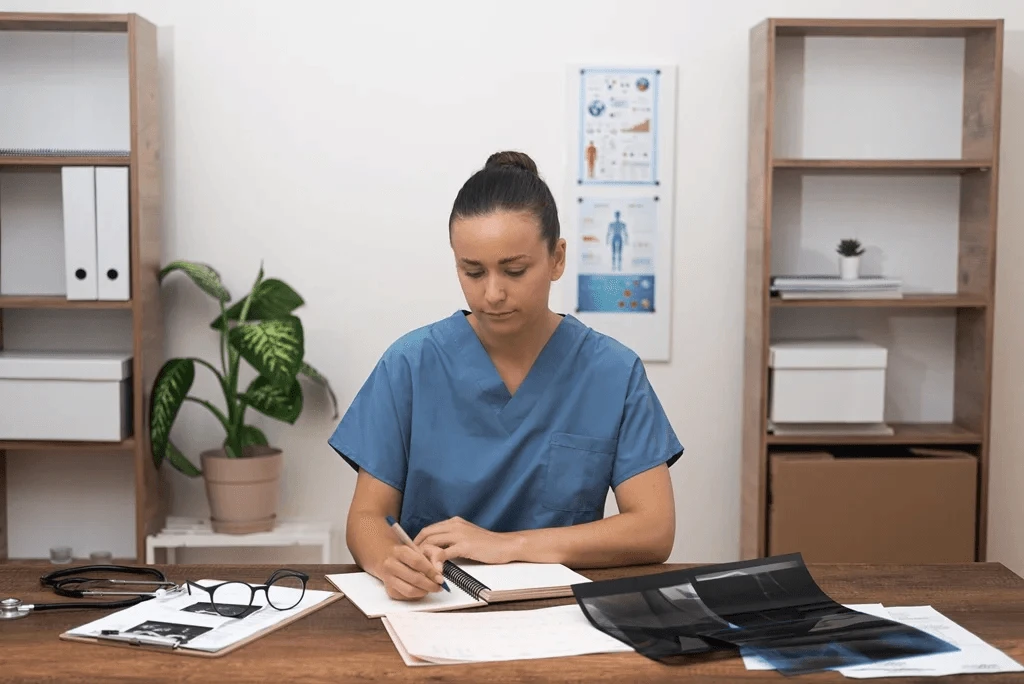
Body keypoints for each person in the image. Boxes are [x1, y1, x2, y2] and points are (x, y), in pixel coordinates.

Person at [329, 151, 683, 601]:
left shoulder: (613, 372)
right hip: (434, 605)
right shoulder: (411, 365)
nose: (492, 293)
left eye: (515, 271)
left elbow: (653, 530)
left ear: (557, 258)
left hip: (561, 613)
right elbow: (367, 518)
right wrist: (388, 562)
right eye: (472, 271)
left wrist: (506, 546)